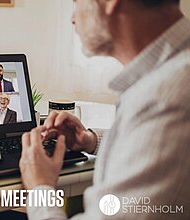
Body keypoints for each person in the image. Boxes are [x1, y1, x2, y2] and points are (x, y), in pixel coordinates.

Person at [19, 0, 190, 219]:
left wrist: (39, 187)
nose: (72, 18)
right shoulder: (168, 77)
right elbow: (151, 142)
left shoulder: (167, 100)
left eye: (76, 2)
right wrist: (91, 140)